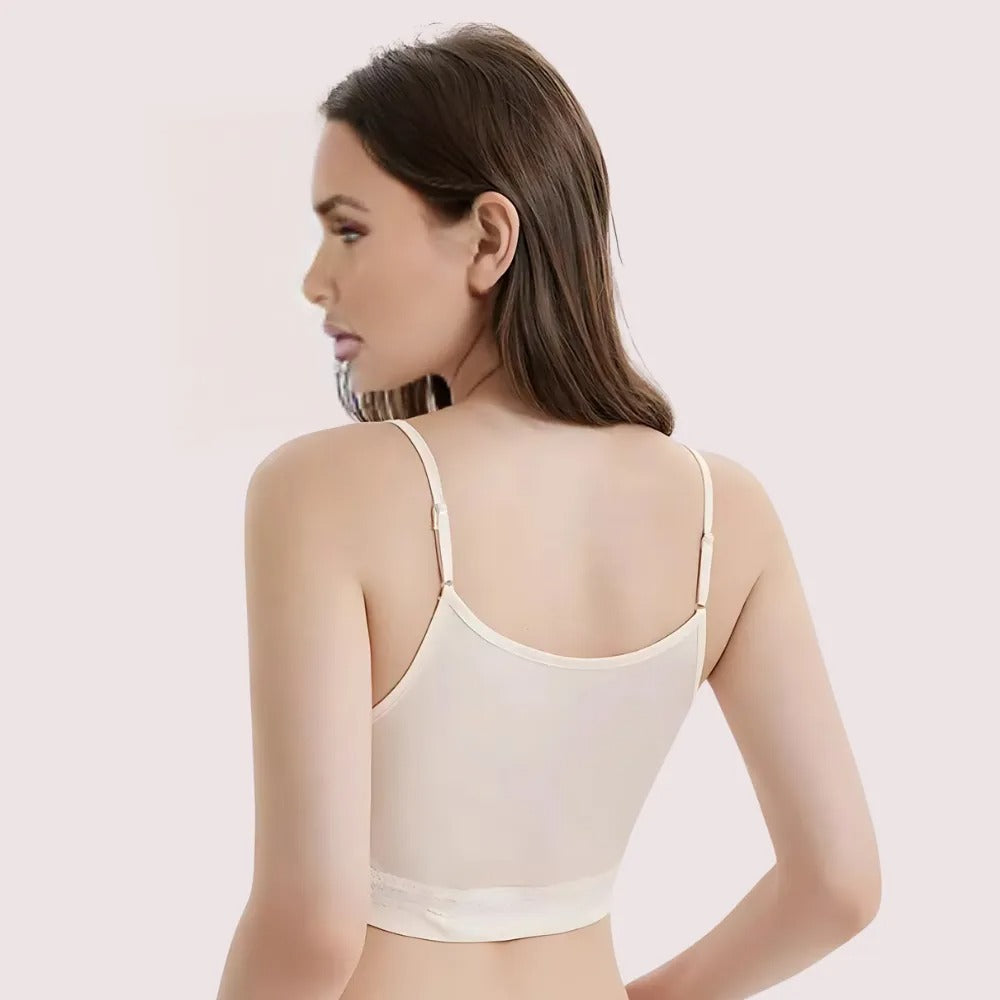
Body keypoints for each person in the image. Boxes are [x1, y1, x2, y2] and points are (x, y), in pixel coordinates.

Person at [216, 22, 880, 1000]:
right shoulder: (724, 514)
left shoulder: (321, 491)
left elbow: (310, 923)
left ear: (489, 238)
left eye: (349, 229)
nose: (316, 279)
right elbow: (838, 885)